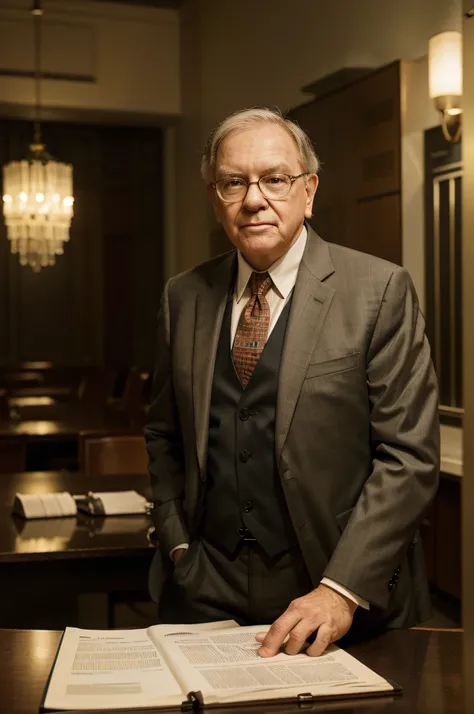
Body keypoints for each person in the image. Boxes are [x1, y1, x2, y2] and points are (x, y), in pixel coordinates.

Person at [144, 107, 439, 658]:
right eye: (234, 182)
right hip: (205, 591)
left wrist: (339, 591)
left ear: (309, 191)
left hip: (337, 595)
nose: (254, 199)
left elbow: (410, 457)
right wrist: (178, 543)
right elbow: (163, 435)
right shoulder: (181, 297)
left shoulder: (378, 290)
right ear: (216, 197)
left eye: (275, 179)